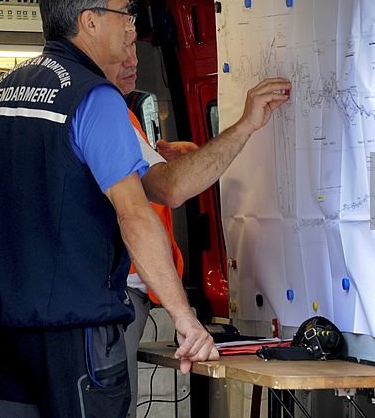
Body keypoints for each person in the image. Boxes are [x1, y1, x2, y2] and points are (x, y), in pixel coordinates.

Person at [0, 0, 219, 418]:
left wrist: (10, 217)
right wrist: (185, 318)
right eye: (124, 12)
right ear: (90, 21)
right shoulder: (93, 97)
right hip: (71, 326)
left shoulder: (0, 90)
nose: (132, 26)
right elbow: (134, 214)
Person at [99, 41, 290, 415]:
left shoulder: (121, 116)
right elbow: (166, 191)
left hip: (116, 293)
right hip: (119, 290)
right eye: (119, 50)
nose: (132, 62)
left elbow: (160, 186)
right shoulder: (104, 113)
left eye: (136, 49)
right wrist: (247, 124)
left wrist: (176, 165)